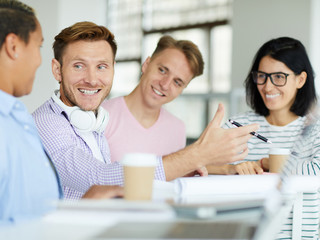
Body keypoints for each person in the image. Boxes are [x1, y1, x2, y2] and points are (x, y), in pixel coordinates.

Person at [32, 21, 259, 200]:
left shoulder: (93, 120)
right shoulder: (48, 122)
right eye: (79, 65)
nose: (92, 79)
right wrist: (197, 154)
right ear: (57, 70)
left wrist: (217, 167)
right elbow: (99, 178)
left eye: (101, 66)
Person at [0, 1, 122, 238]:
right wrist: (75, 215)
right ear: (13, 46)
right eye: (38, 46)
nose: (38, 60)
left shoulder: (5, 115)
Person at [101, 35, 262, 175]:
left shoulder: (177, 128)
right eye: (162, 70)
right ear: (146, 64)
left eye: (177, 82)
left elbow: (176, 168)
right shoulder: (101, 117)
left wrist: (227, 169)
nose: (165, 84)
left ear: (182, 89)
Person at [223, 37, 319, 239]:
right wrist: (231, 169)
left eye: (278, 77)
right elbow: (199, 164)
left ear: (300, 79)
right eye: (262, 76)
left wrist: (267, 163)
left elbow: (316, 171)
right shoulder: (237, 126)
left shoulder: (315, 128)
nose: (267, 87)